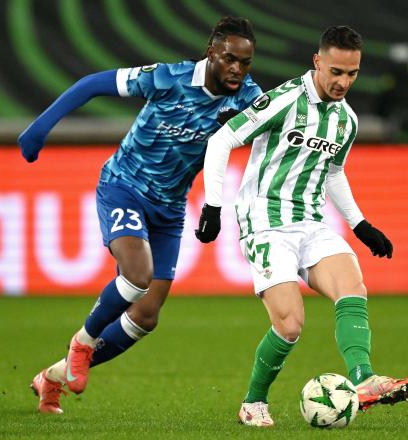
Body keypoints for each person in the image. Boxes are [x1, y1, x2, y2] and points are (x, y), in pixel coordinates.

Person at [18, 17, 262, 414]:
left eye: (245, 63)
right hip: (123, 188)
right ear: (211, 52)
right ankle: (83, 341)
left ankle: (53, 376)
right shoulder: (168, 78)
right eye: (230, 59)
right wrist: (39, 128)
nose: (237, 69)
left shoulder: (250, 99)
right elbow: (92, 83)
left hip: (169, 209)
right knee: (136, 275)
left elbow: (275, 136)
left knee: (147, 314)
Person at [196, 25, 408, 427]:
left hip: (310, 222)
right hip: (265, 222)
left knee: (352, 286)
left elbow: (333, 172)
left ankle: (364, 379)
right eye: (336, 71)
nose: (343, 82)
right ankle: (254, 402)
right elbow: (221, 141)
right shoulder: (284, 100)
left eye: (352, 73)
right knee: (289, 324)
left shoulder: (346, 120)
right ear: (317, 62)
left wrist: (360, 224)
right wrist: (212, 205)